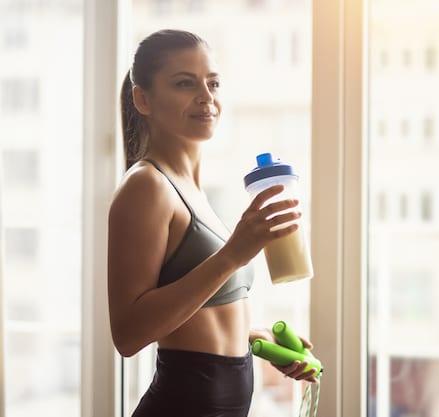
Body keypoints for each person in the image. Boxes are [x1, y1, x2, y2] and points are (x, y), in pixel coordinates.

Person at [107, 29, 317, 417]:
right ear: (143, 99)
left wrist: (256, 340)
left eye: (213, 82)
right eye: (185, 83)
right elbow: (129, 333)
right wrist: (235, 253)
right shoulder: (146, 186)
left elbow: (197, 315)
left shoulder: (194, 189)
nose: (206, 96)